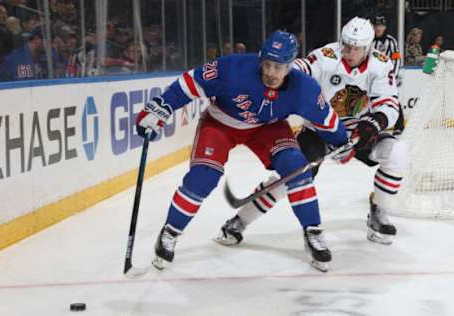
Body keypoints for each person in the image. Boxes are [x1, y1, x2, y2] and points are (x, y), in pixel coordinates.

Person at [135, 31, 348, 272]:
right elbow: (190, 83)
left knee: (297, 168)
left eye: (278, 67)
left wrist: (342, 142)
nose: (270, 72)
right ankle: (170, 232)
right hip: (220, 123)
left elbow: (327, 120)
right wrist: (160, 108)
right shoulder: (233, 68)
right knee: (203, 177)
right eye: (266, 64)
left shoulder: (304, 88)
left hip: (268, 128)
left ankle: (313, 232)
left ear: (290, 66)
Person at [217, 17, 406, 250]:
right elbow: (300, 69)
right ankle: (239, 222)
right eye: (346, 45)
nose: (349, 51)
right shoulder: (326, 56)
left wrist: (375, 122)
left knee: (397, 153)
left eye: (355, 48)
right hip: (320, 130)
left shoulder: (381, 64)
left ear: (367, 48)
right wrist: (278, 71)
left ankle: (378, 213)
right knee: (291, 177)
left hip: (360, 131)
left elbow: (388, 102)